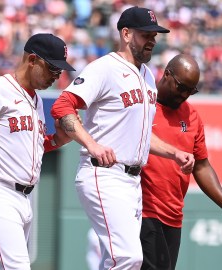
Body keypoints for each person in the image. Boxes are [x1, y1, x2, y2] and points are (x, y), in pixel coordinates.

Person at [51, 6, 194, 270]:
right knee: (128, 257)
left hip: (131, 182)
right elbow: (62, 106)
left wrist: (173, 152)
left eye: (155, 35)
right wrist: (91, 144)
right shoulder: (104, 68)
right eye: (145, 34)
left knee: (120, 260)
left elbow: (141, 135)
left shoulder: (148, 76)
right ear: (126, 34)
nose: (152, 39)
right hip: (104, 174)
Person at [0, 33, 75, 270]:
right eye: (52, 68)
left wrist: (57, 140)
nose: (56, 76)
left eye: (59, 72)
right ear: (32, 60)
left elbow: (33, 149)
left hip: (22, 198)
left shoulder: (37, 101)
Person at [140, 54, 222, 270]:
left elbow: (202, 165)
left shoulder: (192, 116)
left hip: (173, 215)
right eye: (182, 87)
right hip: (142, 209)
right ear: (167, 74)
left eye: (191, 90)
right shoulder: (143, 106)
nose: (185, 94)